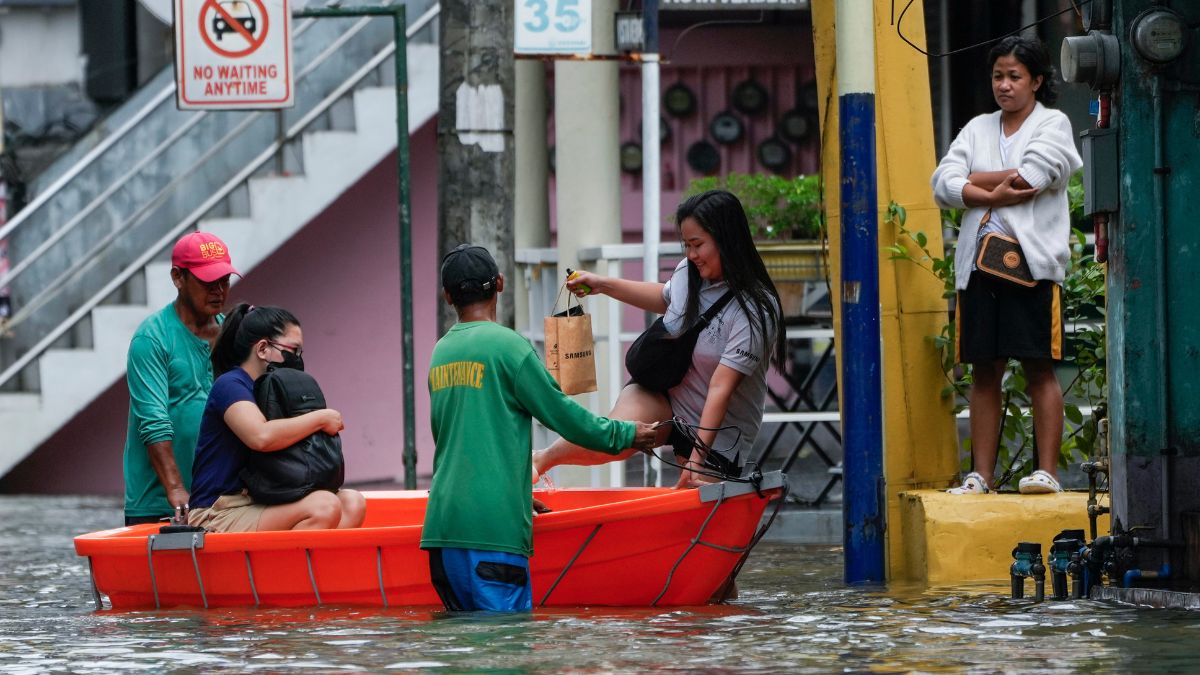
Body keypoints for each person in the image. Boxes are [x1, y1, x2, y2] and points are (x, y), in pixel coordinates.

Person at [421, 244, 658, 612]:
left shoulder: (441, 352)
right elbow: (562, 415)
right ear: (499, 284)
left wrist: (512, 487)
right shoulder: (508, 347)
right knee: (505, 653)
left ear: (447, 296)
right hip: (493, 534)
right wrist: (626, 434)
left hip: (442, 531)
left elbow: (454, 442)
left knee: (461, 650)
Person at [534, 190, 787, 488]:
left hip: (719, 431)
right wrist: (601, 284)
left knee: (699, 503)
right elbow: (666, 298)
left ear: (727, 240)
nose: (691, 255)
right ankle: (540, 459)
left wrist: (697, 459)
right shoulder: (688, 272)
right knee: (615, 438)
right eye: (686, 245)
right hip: (664, 393)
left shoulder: (755, 309)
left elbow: (722, 387)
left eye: (698, 245)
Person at [931, 35, 1082, 495]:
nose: (1004, 85)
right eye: (998, 75)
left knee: (1039, 365)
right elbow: (941, 182)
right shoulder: (978, 127)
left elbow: (1031, 177)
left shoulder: (1053, 124)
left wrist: (974, 182)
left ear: (1036, 80)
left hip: (1030, 266)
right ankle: (981, 476)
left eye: (1015, 76)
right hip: (978, 267)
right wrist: (990, 191)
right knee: (983, 369)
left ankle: (1048, 474)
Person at [186, 304, 366, 532]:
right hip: (218, 511)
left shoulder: (273, 389)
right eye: (293, 350)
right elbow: (260, 436)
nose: (297, 359)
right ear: (262, 349)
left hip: (260, 499)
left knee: (352, 503)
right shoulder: (231, 385)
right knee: (324, 506)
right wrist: (320, 419)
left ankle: (313, 566)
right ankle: (287, 568)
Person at [122, 231, 239, 526]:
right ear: (178, 278)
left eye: (224, 281)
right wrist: (175, 489)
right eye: (208, 282)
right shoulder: (152, 337)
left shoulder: (230, 334)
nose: (219, 291)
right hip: (159, 502)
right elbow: (153, 419)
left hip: (217, 497)